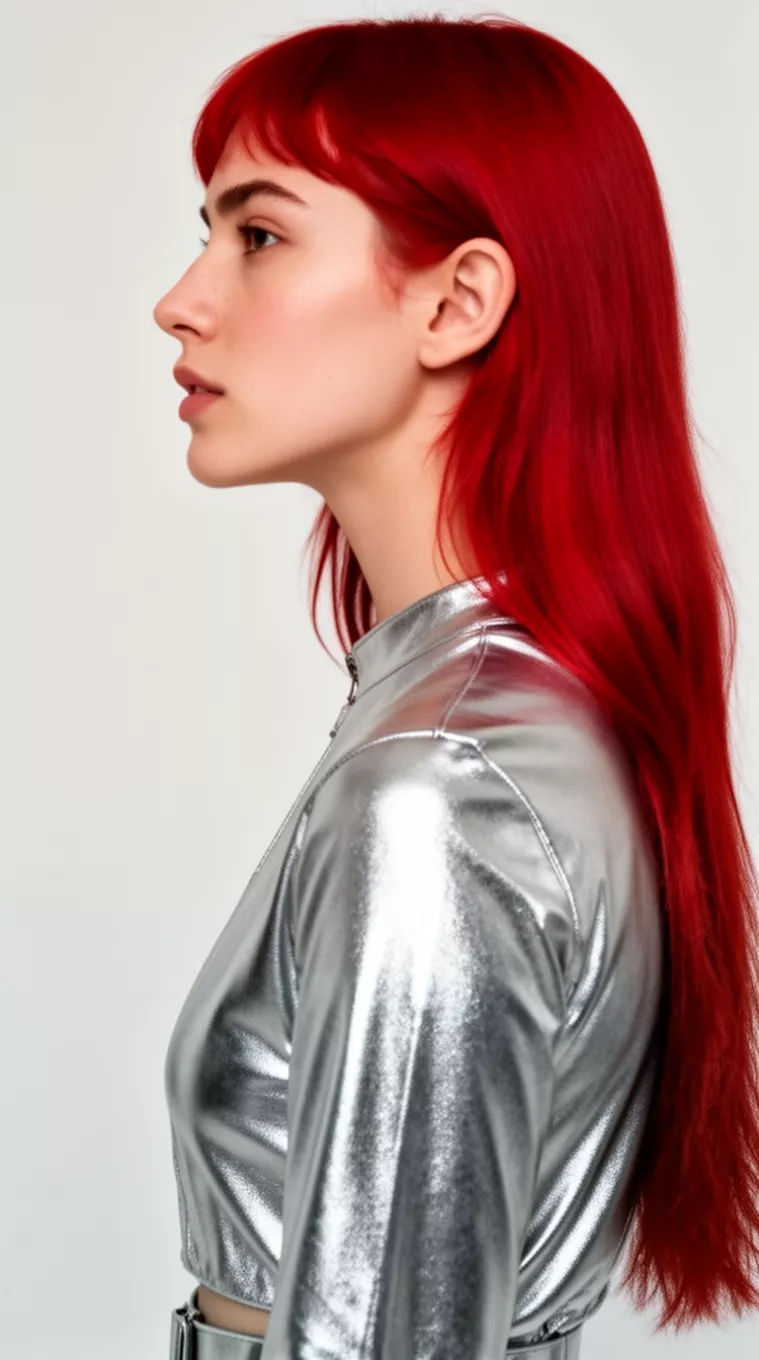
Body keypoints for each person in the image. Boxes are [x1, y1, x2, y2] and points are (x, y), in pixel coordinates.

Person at [153, 15, 759, 1360]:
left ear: (458, 301)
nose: (181, 299)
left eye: (257, 236)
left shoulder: (437, 792)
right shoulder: (482, 715)